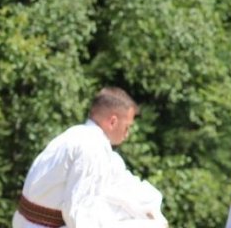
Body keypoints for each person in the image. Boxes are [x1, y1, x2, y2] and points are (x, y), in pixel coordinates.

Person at [13, 87, 167, 228]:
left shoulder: (80, 136)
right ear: (113, 121)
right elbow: (78, 213)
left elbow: (120, 183)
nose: (127, 134)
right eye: (127, 127)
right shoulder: (90, 147)